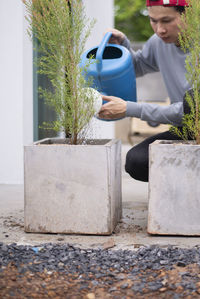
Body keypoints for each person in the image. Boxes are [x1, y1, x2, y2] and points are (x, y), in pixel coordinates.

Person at [98, 0, 191, 182]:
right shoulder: (158, 42)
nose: (159, 29)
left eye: (166, 20)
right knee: (137, 162)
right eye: (153, 20)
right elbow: (137, 67)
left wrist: (131, 109)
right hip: (186, 130)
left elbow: (190, 113)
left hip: (193, 119)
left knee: (193, 99)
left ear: (188, 15)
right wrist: (123, 46)